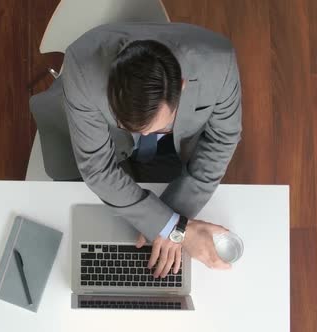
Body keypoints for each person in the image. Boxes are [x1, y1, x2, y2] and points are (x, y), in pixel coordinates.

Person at [62, 22, 242, 278]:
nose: (145, 135)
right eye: (134, 126)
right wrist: (174, 228)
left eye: (157, 125)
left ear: (181, 86)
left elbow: (222, 139)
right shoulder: (82, 68)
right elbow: (97, 168)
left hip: (178, 147)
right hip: (106, 143)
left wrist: (171, 226)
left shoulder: (219, 65)